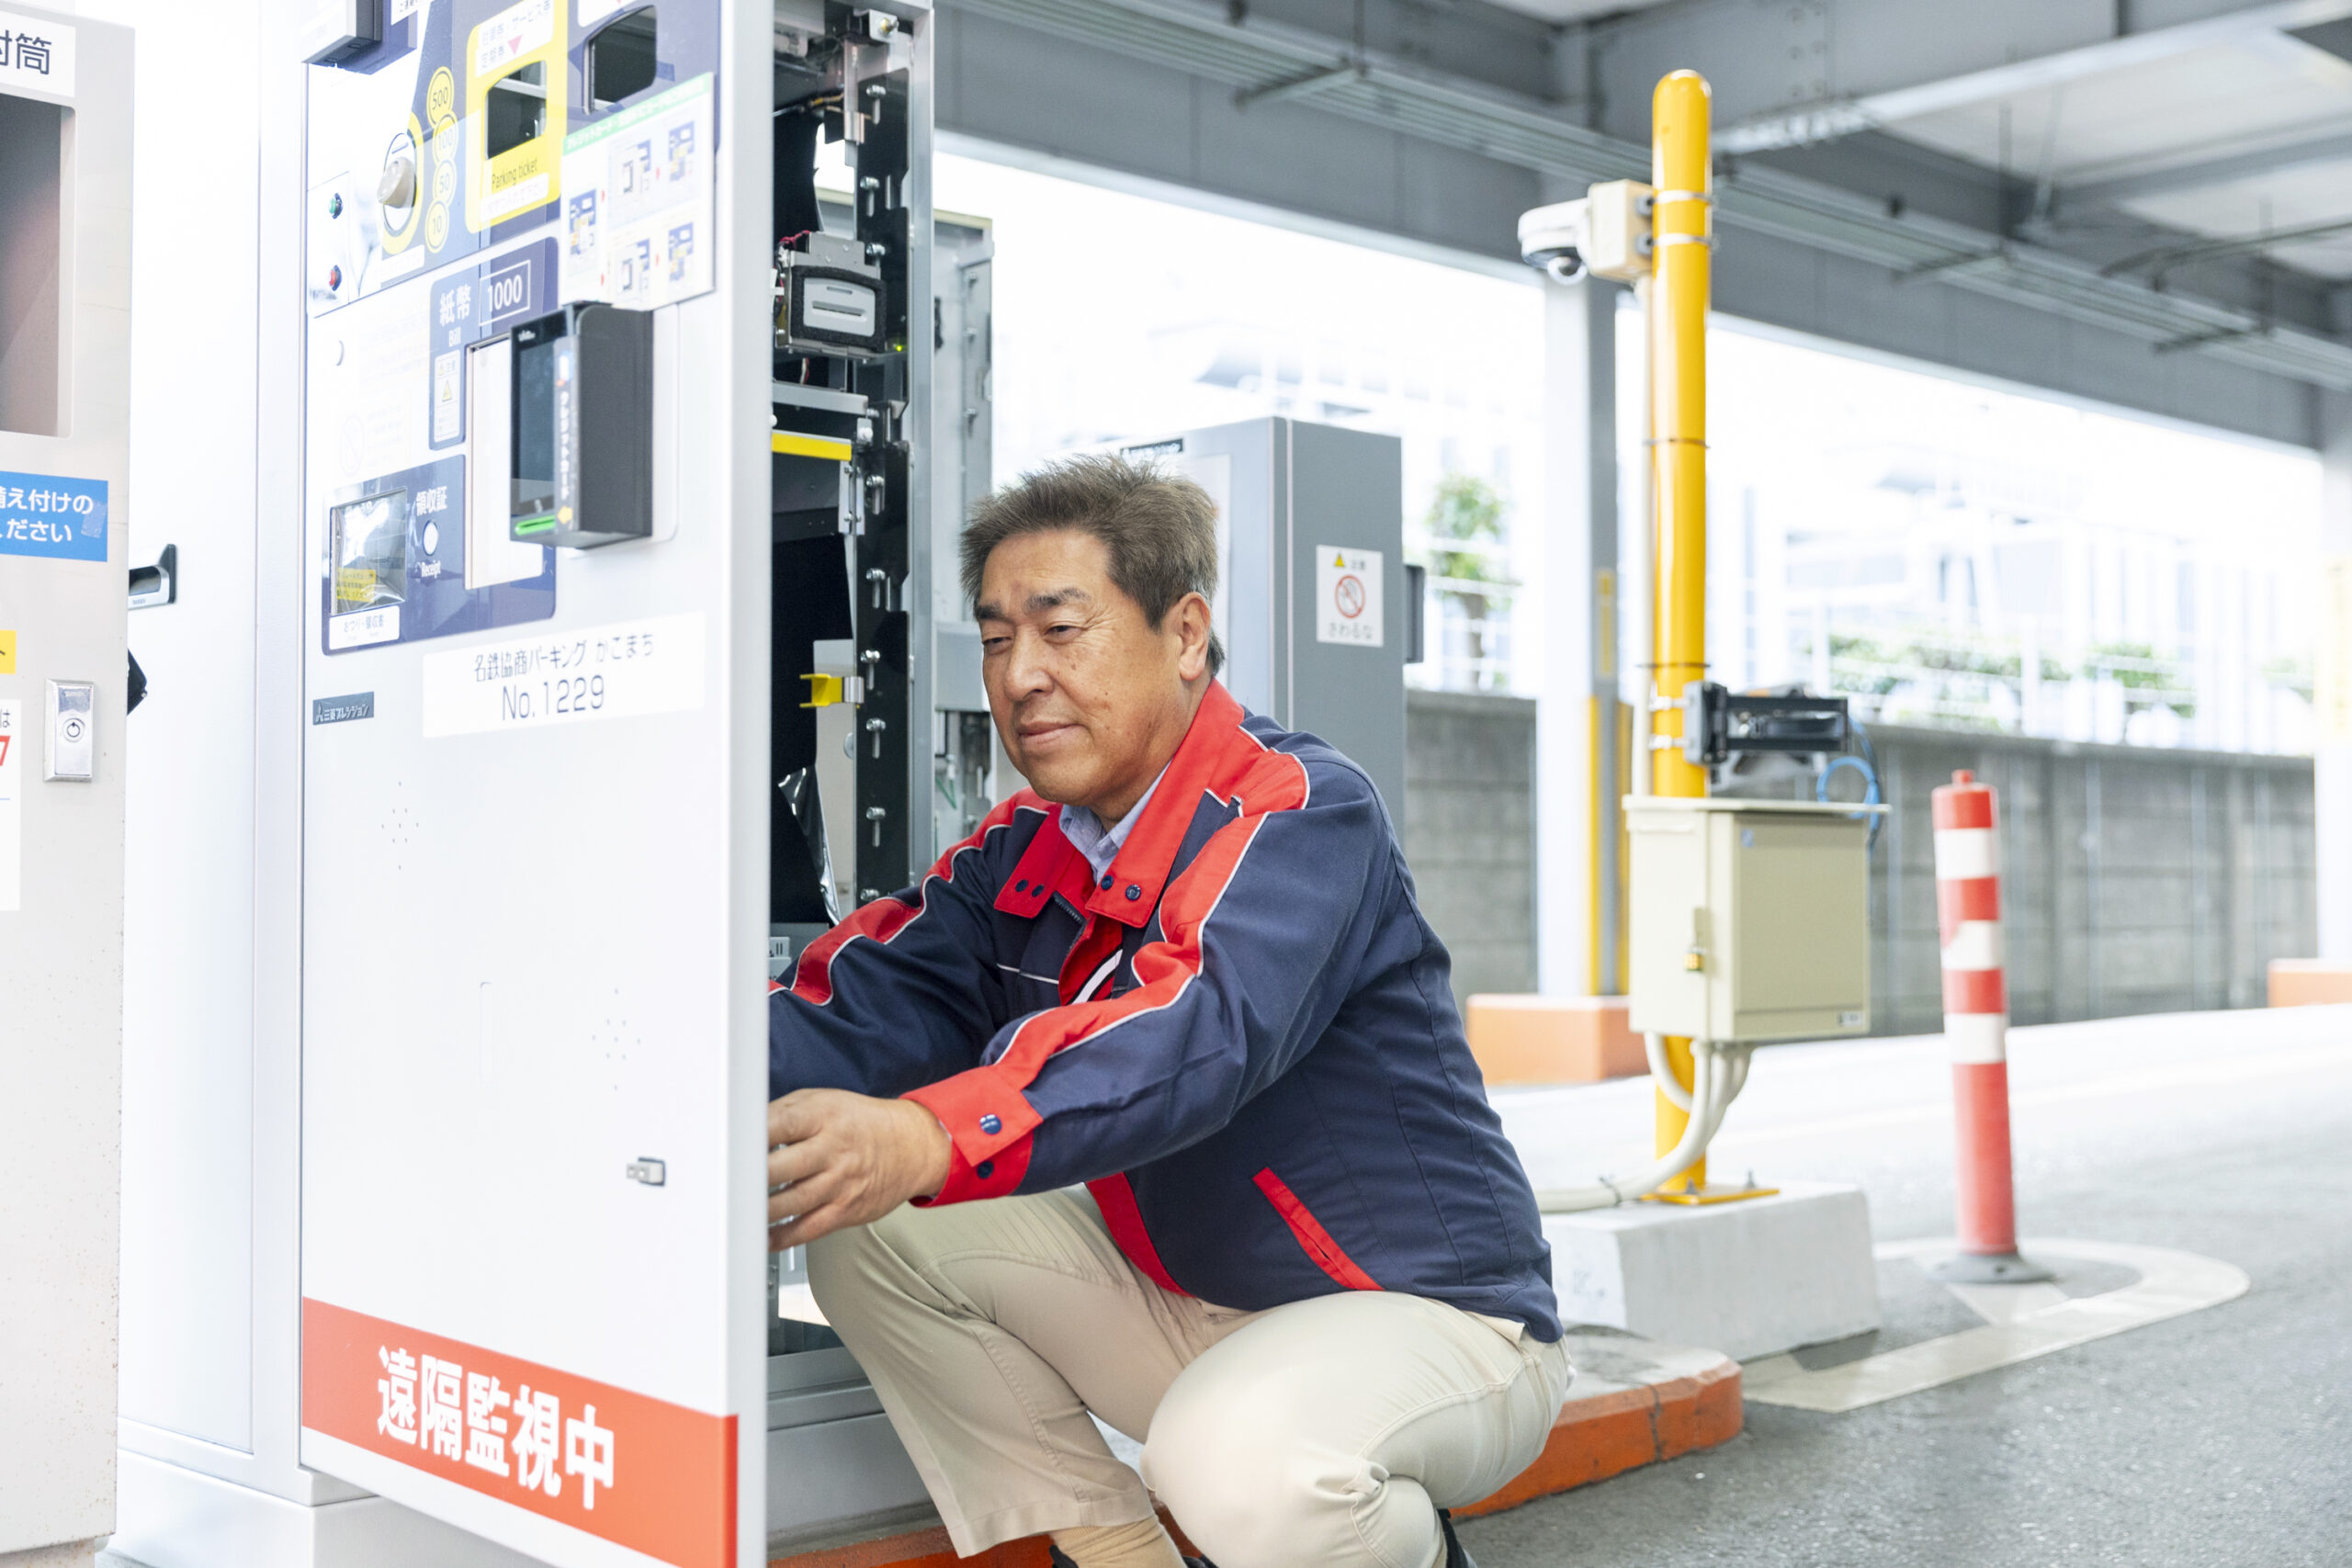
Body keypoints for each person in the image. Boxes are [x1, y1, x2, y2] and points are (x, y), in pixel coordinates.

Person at [765, 456, 1567, 1568]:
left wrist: (928, 1130)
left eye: (1061, 629)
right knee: (875, 1233)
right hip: (1198, 1300)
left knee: (1240, 1469)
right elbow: (863, 999)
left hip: (1433, 1323)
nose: (1021, 678)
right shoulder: (1020, 855)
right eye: (998, 640)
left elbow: (1199, 1024)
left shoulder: (1300, 810)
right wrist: (666, 1061)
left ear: (1185, 634)